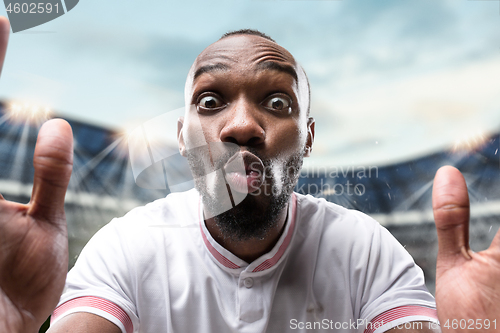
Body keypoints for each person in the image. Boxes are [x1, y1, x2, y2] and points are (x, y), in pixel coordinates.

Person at [0, 16, 499, 333]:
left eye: (277, 103)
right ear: (182, 137)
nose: (241, 126)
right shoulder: (126, 247)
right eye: (211, 101)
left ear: (306, 139)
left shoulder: (367, 252)